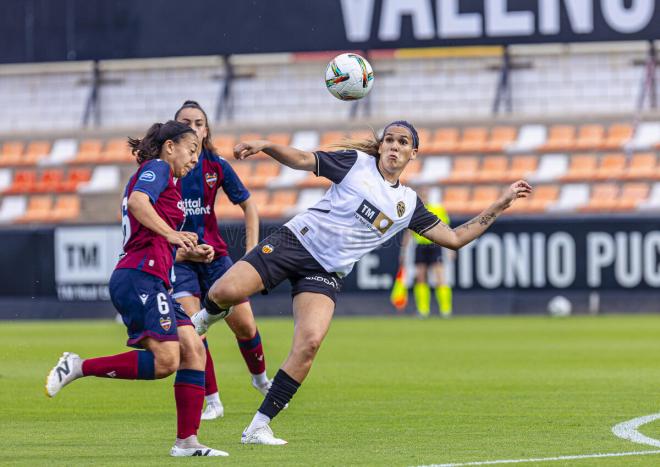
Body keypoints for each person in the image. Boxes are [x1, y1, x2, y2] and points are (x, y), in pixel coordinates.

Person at [191, 121, 532, 445]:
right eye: (390, 140)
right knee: (223, 292)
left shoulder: (408, 204)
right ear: (381, 146)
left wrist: (501, 203)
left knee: (309, 344)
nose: (394, 146)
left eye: (403, 142)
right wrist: (266, 145)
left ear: (413, 154)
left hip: (326, 272)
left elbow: (455, 238)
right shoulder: (355, 164)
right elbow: (302, 159)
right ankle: (200, 323)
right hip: (295, 242)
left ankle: (258, 427)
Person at [45, 121, 228, 457]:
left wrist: (188, 250)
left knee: (194, 349)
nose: (193, 160)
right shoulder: (156, 167)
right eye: (191, 151)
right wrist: (174, 235)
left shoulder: (168, 180)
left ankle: (187, 442)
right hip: (139, 276)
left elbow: (153, 236)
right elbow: (138, 204)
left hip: (156, 276)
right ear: (170, 146)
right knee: (166, 361)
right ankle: (78, 366)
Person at [172, 100, 271, 420]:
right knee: (192, 330)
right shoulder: (161, 170)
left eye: (198, 123)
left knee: (244, 325)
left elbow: (249, 206)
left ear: (206, 130)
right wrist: (179, 250)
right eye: (185, 122)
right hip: (179, 260)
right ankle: (212, 401)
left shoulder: (215, 165)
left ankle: (261, 381)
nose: (193, 128)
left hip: (215, 258)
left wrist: (252, 252)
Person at [399, 196, 453, 317]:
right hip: (420, 246)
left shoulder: (438, 209)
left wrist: (450, 248)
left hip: (435, 245)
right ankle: (423, 310)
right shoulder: (414, 211)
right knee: (420, 277)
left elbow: (446, 228)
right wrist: (403, 251)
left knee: (440, 276)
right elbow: (409, 232)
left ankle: (446, 310)